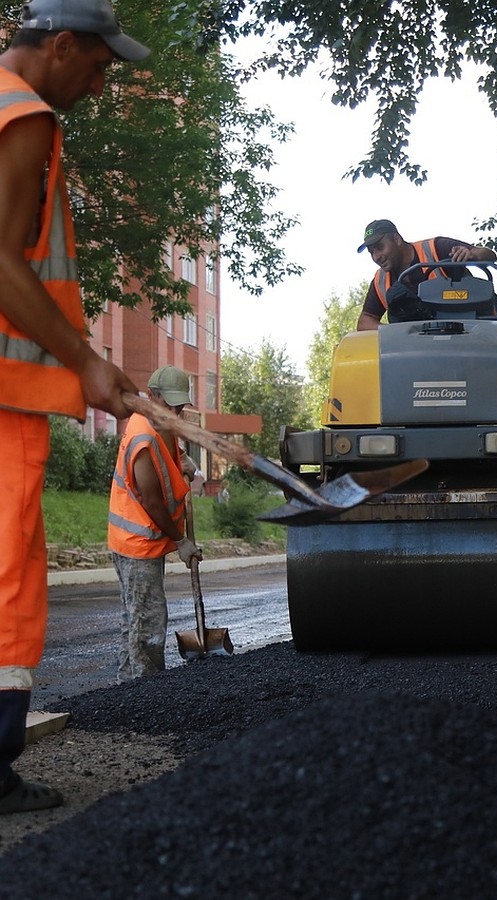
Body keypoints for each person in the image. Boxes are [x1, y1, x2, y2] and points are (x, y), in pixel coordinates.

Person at [0, 0, 148, 815]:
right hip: (5, 395)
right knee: (8, 580)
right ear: (59, 47)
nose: (99, 82)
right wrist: (85, 360)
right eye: (96, 66)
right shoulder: (26, 117)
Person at [108, 366, 202, 683]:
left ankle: (126, 689)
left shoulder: (161, 421)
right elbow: (151, 501)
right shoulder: (142, 436)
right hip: (137, 543)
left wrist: (186, 463)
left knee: (133, 620)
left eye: (180, 406)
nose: (175, 411)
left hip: (141, 541)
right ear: (151, 396)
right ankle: (147, 691)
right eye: (169, 404)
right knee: (147, 622)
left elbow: (171, 453)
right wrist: (181, 541)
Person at [354, 219, 497, 330]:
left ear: (396, 239)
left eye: (379, 248)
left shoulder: (436, 248)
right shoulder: (381, 280)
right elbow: (364, 321)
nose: (376, 256)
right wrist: (392, 332)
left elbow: (488, 255)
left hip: (475, 333)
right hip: (422, 353)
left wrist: (472, 254)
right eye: (371, 252)